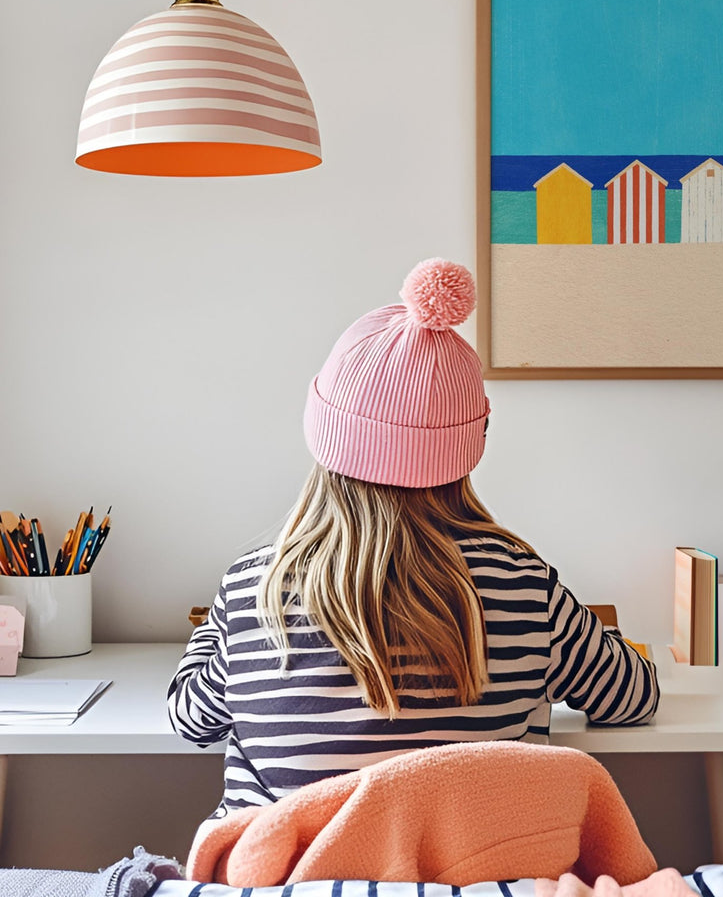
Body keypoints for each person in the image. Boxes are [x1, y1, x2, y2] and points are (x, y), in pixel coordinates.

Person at [168, 258, 659, 815]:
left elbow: (191, 720)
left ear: (324, 434)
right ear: (469, 443)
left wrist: (215, 631)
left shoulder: (256, 584)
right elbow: (633, 696)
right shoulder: (522, 582)